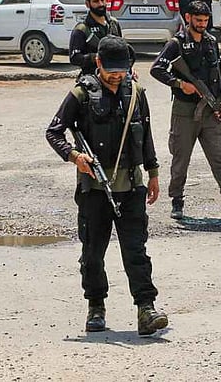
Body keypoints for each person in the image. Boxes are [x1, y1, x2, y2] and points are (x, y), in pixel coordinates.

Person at [46, 36, 168, 336]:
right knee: (92, 253)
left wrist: (152, 173)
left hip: (132, 186)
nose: (117, 75)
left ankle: (146, 309)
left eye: (122, 69)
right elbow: (54, 132)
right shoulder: (81, 95)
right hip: (95, 190)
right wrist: (75, 156)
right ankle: (96, 306)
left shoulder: (137, 92)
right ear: (98, 63)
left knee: (135, 251)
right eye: (112, 69)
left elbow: (147, 133)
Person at [149, 1, 221, 220]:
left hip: (210, 110)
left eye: (205, 21)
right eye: (198, 20)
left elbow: (218, 74)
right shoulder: (176, 44)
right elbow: (156, 69)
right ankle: (177, 202)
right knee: (181, 159)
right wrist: (179, 84)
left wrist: (220, 101)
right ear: (188, 18)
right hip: (185, 110)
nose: (202, 25)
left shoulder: (211, 42)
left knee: (220, 157)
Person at [69, 0, 128, 77]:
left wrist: (129, 69)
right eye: (96, 1)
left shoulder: (114, 24)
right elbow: (75, 58)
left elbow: (122, 51)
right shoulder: (81, 29)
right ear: (88, 4)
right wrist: (97, 57)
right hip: (92, 79)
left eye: (102, 0)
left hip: (115, 78)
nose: (101, 4)